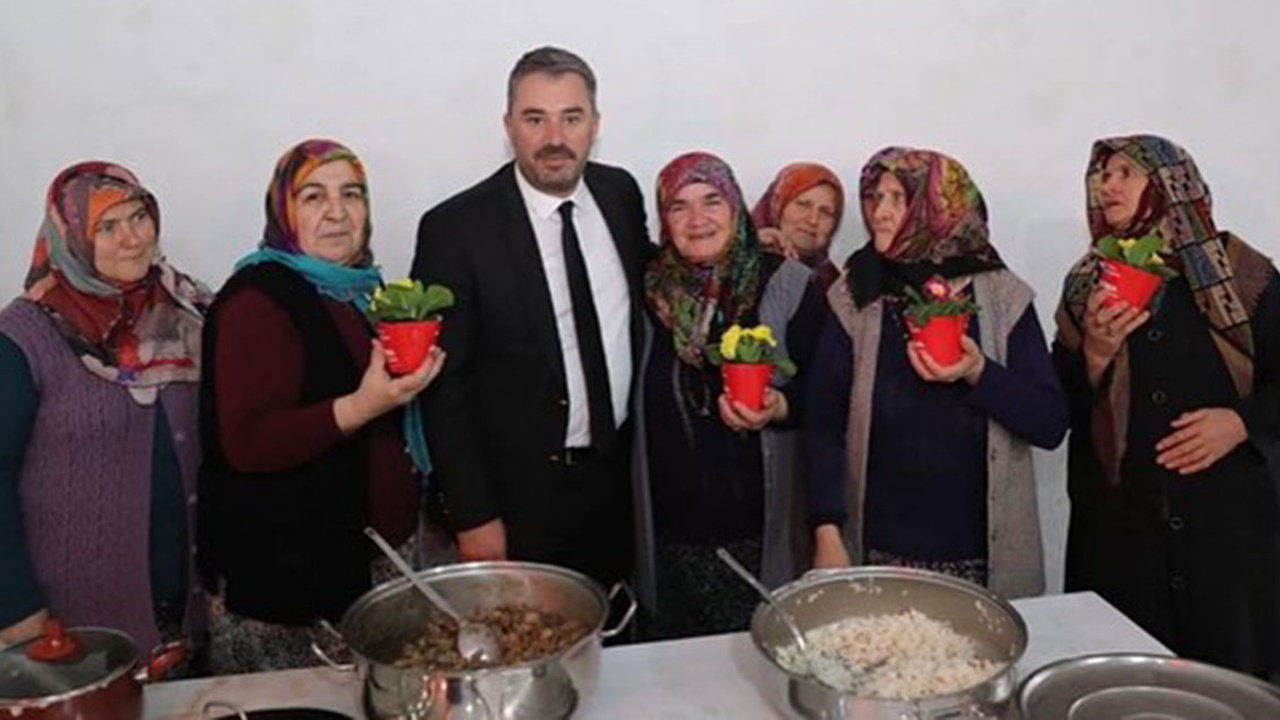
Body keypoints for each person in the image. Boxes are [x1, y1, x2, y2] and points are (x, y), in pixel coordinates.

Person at [198, 139, 443, 673]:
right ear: (283, 211)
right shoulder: (257, 300)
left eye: (351, 194)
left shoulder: (361, 293)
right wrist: (363, 405)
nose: (337, 212)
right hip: (290, 590)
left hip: (368, 565)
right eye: (313, 197)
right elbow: (247, 442)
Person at [411, 46, 649, 587]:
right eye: (534, 118)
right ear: (508, 125)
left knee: (614, 648)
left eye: (572, 117)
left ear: (595, 123)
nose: (555, 138)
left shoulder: (620, 195)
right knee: (525, 658)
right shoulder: (456, 230)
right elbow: (445, 391)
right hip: (517, 506)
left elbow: (657, 282)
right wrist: (473, 515)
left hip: (618, 490)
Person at [1054, 134, 1280, 678]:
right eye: (1102, 174)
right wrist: (1095, 356)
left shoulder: (1242, 275)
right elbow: (1058, 404)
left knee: (1225, 689)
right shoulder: (1089, 284)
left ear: (1170, 184)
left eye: (1126, 173)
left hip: (1223, 535)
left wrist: (1240, 423)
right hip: (1123, 536)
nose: (1107, 185)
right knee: (1125, 689)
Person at [807, 147, 1067, 598]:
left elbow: (1049, 423)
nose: (879, 213)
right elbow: (824, 424)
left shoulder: (1003, 296)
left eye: (897, 198)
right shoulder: (855, 293)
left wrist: (978, 371)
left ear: (940, 209)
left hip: (981, 562)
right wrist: (826, 531)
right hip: (877, 554)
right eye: (875, 198)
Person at [0, 162, 210, 660]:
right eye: (106, 228)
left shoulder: (189, 310)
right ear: (70, 238)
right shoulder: (24, 338)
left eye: (139, 217)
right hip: (72, 616)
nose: (132, 239)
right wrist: (14, 606)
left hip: (188, 599)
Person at [633, 152, 826, 640]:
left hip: (757, 536)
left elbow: (828, 398)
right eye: (679, 206)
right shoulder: (647, 290)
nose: (698, 219)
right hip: (667, 538)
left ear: (737, 208)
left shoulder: (788, 283)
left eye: (712, 201)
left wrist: (780, 406)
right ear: (664, 219)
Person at [752, 162, 845, 291]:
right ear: (777, 206)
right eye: (803, 205)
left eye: (825, 212)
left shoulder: (837, 290)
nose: (813, 220)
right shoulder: (737, 264)